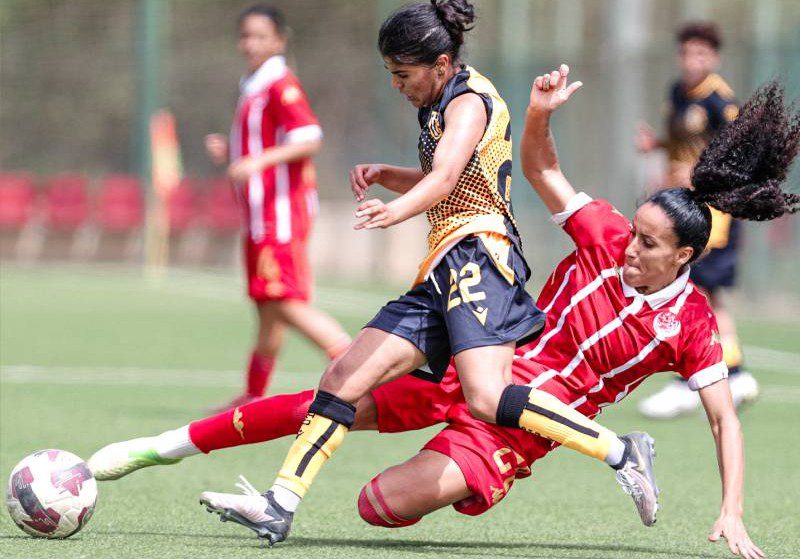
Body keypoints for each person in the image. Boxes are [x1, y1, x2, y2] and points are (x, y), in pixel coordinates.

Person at [91, 67, 798, 558]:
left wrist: (731, 508)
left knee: (378, 505)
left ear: (682, 256)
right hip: (477, 352)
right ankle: (163, 447)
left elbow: (723, 419)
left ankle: (613, 450)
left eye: (647, 244)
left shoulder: (694, 325)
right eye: (633, 233)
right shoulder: (606, 233)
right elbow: (543, 170)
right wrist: (541, 113)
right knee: (331, 398)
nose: (629, 249)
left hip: (520, 428)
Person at [204, 4, 351, 411]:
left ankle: (357, 365)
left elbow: (309, 137)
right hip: (259, 215)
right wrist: (233, 150)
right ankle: (253, 395)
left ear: (280, 41)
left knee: (284, 300)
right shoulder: (254, 87)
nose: (250, 44)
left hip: (279, 215)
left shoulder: (280, 85)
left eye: (260, 36)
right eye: (245, 35)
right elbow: (265, 142)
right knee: (267, 306)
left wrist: (257, 160)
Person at [635, 21, 757, 419]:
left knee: (693, 290)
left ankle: (693, 378)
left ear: (715, 58)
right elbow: (682, 144)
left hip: (714, 213)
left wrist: (702, 174)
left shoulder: (721, 103)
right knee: (703, 293)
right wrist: (657, 146)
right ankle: (733, 373)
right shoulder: (678, 93)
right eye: (687, 53)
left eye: (701, 54)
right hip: (686, 208)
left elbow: (741, 157)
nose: (692, 61)